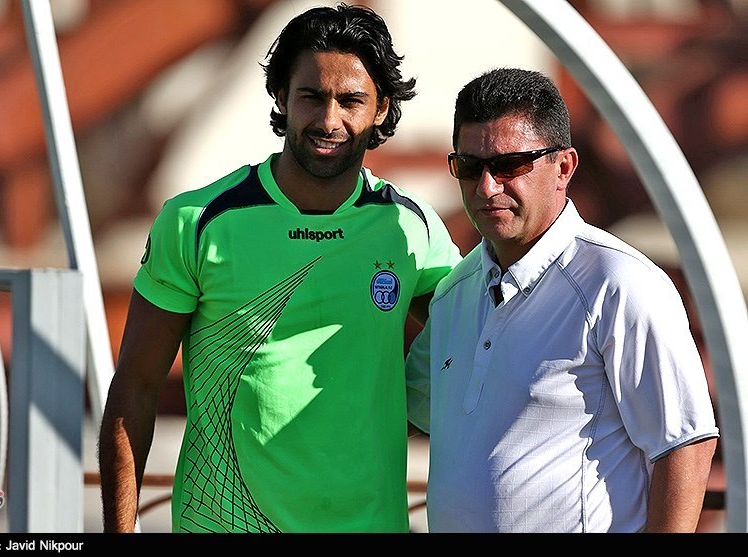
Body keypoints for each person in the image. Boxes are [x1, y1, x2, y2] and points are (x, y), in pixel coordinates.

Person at [98, 3, 461, 533]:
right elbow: (135, 388)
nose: (329, 120)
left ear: (382, 109)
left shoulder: (411, 229)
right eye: (311, 96)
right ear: (281, 96)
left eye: (351, 101)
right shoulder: (197, 221)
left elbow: (482, 345)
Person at [405, 67, 719, 533]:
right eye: (470, 167)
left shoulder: (619, 282)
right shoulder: (454, 294)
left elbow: (686, 445)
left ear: (564, 167)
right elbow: (410, 412)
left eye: (510, 165)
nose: (487, 186)